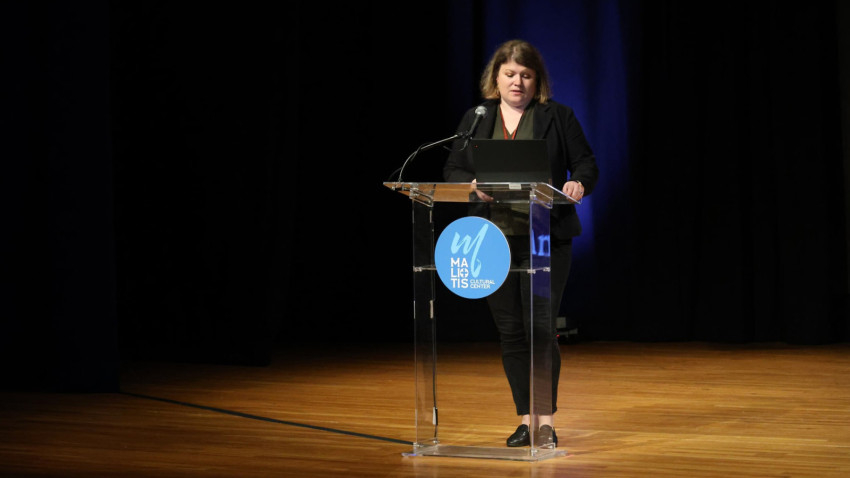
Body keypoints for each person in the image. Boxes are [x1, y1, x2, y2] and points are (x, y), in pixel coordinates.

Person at [443, 39, 599, 448]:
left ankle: (545, 421)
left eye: (526, 75)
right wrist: (471, 185)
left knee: (540, 328)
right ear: (495, 79)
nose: (517, 82)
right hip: (490, 238)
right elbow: (453, 169)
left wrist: (578, 183)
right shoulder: (477, 118)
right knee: (511, 330)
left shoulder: (557, 116)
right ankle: (526, 420)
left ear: (536, 80)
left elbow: (586, 163)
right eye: (510, 74)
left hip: (545, 236)